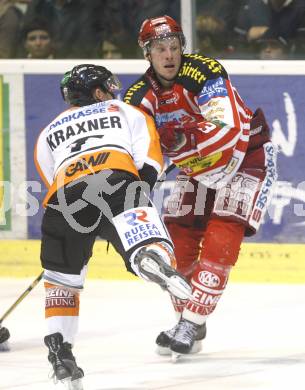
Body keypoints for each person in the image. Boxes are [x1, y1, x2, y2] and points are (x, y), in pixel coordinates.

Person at [123, 15, 277, 358]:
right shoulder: (138, 96)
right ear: (147, 53)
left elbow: (225, 128)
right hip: (197, 169)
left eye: (174, 46)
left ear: (182, 47)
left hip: (246, 155)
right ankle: (189, 317)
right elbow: (133, 152)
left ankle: (190, 322)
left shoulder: (204, 72)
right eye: (160, 48)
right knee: (177, 240)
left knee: (222, 235)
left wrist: (177, 138)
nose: (169, 55)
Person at [34, 64, 192, 387]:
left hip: (63, 200)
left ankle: (60, 353)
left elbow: (49, 175)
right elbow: (149, 161)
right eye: (107, 87)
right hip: (116, 181)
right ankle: (148, 256)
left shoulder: (49, 130)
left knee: (62, 281)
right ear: (97, 93)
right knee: (143, 242)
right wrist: (138, 196)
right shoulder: (125, 110)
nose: (112, 92)